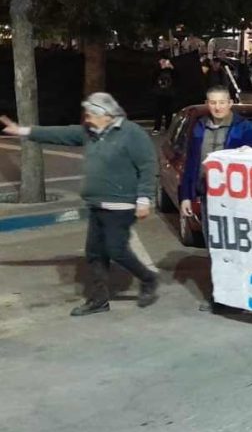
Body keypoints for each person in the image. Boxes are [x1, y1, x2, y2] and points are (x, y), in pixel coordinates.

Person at [1, 94, 160, 316]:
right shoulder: (90, 132)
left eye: (90, 113)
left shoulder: (131, 133)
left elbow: (147, 165)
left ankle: (148, 278)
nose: (87, 117)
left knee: (116, 249)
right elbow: (60, 133)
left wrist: (144, 198)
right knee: (94, 253)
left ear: (105, 114)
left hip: (121, 205)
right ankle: (99, 300)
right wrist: (23, 132)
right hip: (96, 204)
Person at [179, 88, 252, 311]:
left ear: (230, 103)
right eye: (213, 103)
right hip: (208, 197)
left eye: (222, 102)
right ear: (207, 103)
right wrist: (186, 196)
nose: (217, 107)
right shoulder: (198, 127)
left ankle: (244, 296)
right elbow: (191, 164)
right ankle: (221, 296)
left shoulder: (245, 128)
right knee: (215, 247)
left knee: (238, 248)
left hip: (236, 200)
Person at [150, 56, 176, 135]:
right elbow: (153, 76)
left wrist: (172, 68)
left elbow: (177, 76)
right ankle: (157, 128)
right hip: (159, 93)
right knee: (158, 112)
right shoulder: (157, 69)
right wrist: (160, 67)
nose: (164, 63)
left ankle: (168, 128)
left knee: (169, 112)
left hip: (169, 94)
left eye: (165, 61)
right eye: (162, 61)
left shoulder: (171, 70)